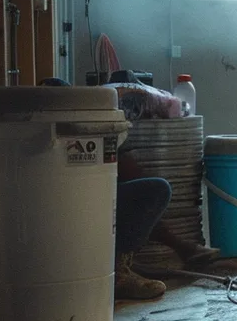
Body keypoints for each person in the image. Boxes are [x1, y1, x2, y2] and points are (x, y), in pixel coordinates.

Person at [41, 77, 217, 300]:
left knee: (152, 189)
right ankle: (120, 275)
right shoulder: (34, 139)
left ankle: (122, 268)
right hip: (58, 213)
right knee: (147, 190)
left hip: (90, 202)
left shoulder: (84, 125)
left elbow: (128, 170)